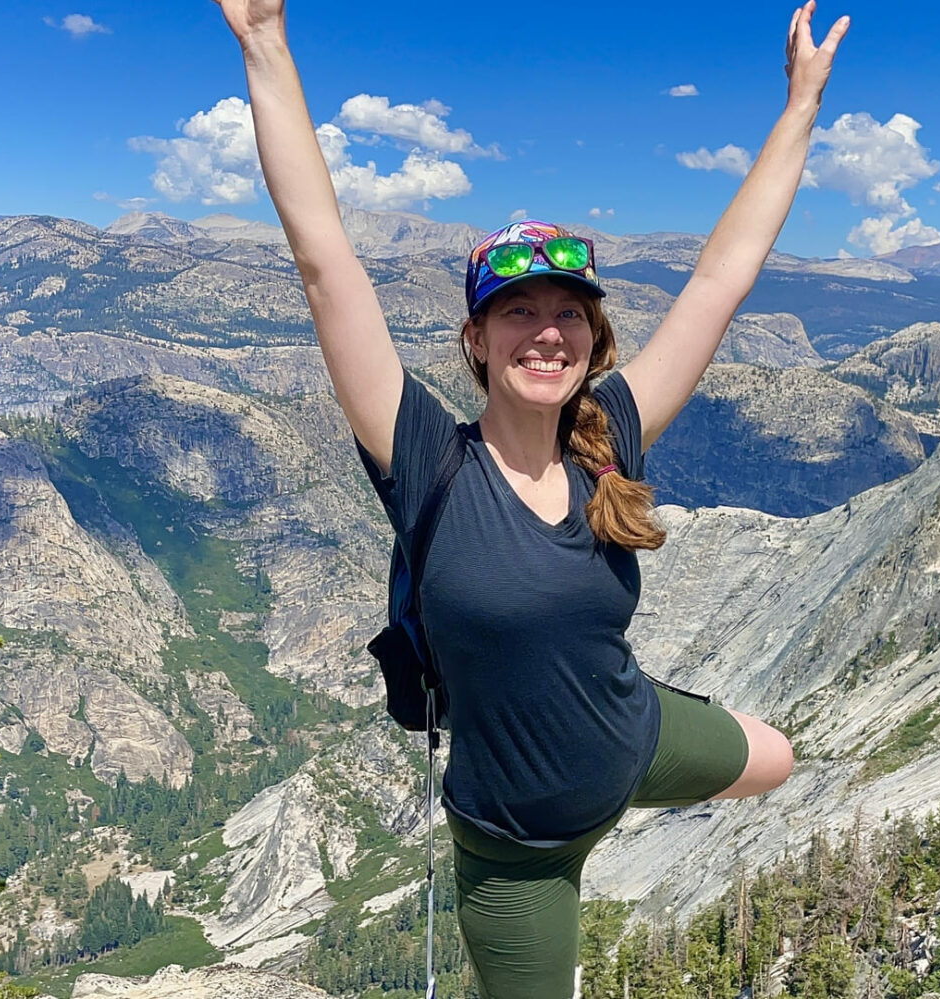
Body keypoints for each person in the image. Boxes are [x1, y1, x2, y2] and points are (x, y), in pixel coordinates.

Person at [215, 2, 848, 995]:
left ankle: (628, 717)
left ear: (594, 344)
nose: (546, 334)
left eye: (568, 316)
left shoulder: (613, 440)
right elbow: (324, 262)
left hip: (634, 744)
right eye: (518, 314)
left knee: (780, 757)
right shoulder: (427, 460)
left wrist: (801, 105)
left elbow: (724, 278)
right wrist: (264, 43)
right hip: (520, 855)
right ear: (476, 341)